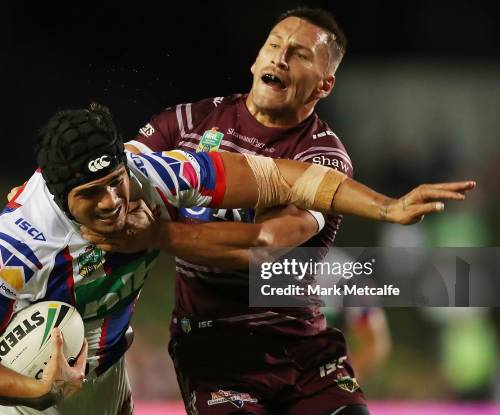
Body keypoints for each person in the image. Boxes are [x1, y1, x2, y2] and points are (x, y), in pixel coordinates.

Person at [0, 102, 472, 415]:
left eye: (117, 182)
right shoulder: (21, 244)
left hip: (106, 374)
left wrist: (387, 206)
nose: (114, 203)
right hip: (22, 391)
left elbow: (285, 177)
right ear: (62, 200)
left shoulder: (154, 179)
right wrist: (39, 390)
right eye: (92, 197)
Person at [85, 6, 436, 415]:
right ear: (256, 61)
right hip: (214, 355)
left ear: (325, 85)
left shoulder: (323, 156)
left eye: (300, 54)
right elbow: (114, 176)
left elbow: (264, 246)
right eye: (273, 45)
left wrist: (157, 235)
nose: (280, 57)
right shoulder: (186, 122)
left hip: (304, 354)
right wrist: (51, 184)